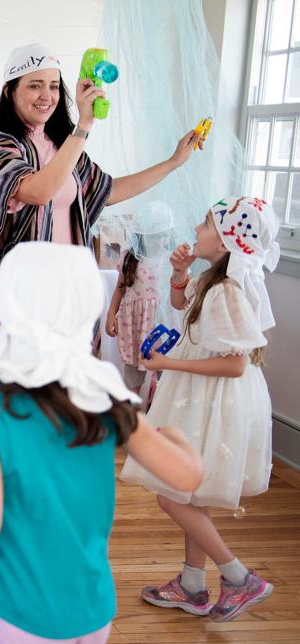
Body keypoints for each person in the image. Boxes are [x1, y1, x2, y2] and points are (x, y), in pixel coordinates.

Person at [0, 242, 204, 642]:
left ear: (4, 310)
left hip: (13, 610)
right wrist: (172, 435)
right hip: (91, 611)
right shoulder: (103, 394)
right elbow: (187, 476)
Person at [120, 197, 280, 622]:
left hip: (212, 402)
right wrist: (178, 275)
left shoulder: (226, 290)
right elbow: (181, 309)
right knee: (189, 493)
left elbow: (235, 362)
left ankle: (237, 576)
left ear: (229, 239)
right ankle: (192, 583)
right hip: (200, 397)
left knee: (173, 495)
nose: (198, 226)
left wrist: (168, 363)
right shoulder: (212, 280)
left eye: (207, 222)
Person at [0, 43, 200, 267]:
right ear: (9, 91)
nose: (47, 96)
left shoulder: (63, 143)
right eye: (35, 86)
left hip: (72, 278)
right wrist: (84, 125)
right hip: (24, 283)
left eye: (54, 86)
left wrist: (173, 162)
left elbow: (108, 191)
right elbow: (39, 192)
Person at [105, 244, 158, 397]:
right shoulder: (129, 257)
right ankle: (132, 415)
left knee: (166, 375)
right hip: (133, 326)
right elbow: (120, 288)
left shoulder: (171, 254)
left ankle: (157, 413)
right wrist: (111, 315)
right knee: (132, 380)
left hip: (158, 323)